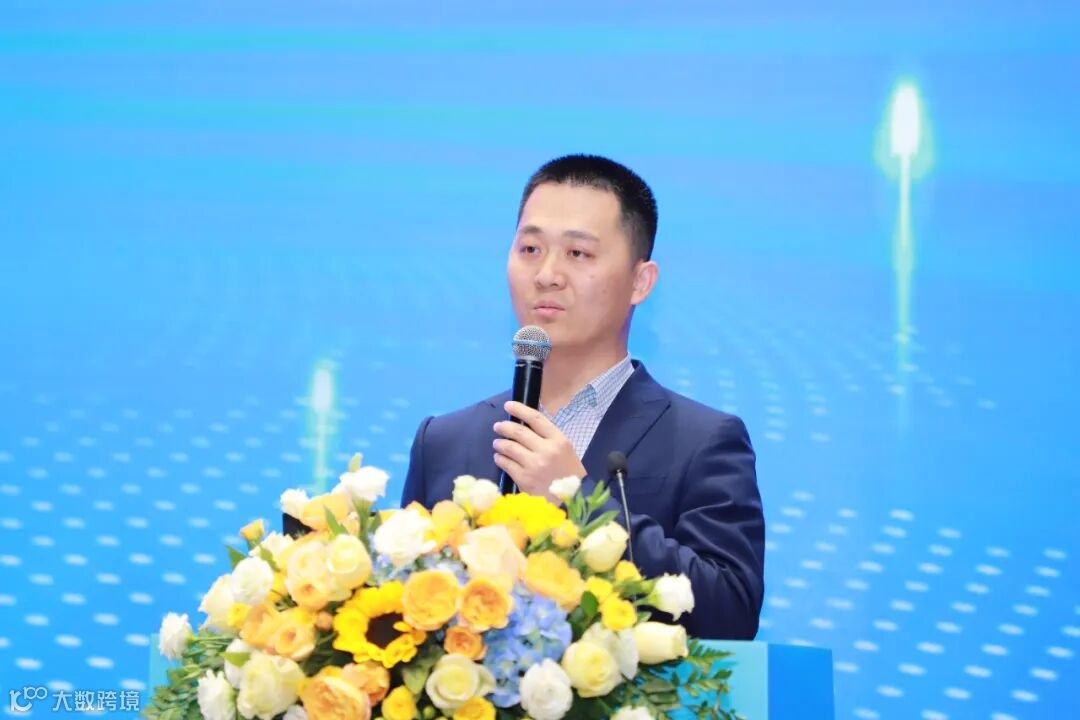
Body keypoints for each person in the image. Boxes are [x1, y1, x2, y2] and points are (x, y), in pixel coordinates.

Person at [401, 154, 764, 639]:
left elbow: (731, 611)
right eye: (530, 248)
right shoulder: (443, 440)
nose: (547, 274)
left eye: (577, 253)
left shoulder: (704, 441)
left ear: (640, 281)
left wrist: (578, 501)